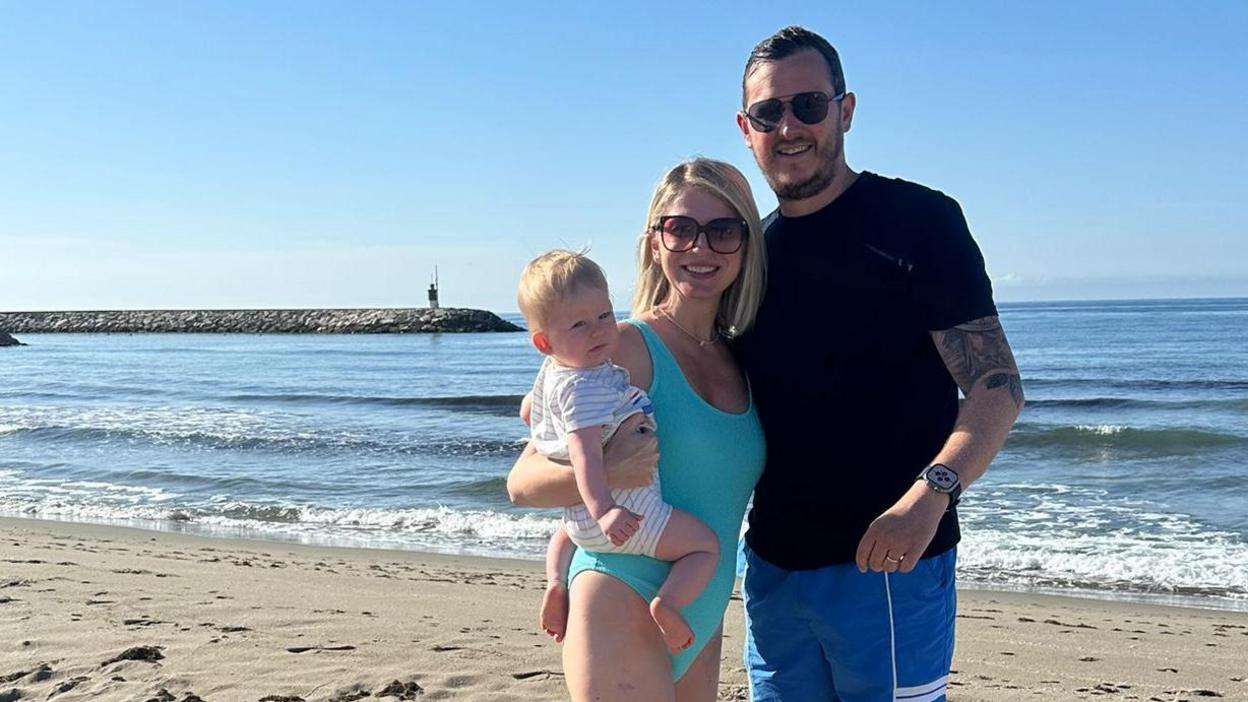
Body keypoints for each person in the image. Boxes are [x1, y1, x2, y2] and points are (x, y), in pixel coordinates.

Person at [730, 26, 1025, 702]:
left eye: (808, 105)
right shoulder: (745, 254)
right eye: (769, 112)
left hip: (892, 562)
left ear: (846, 110)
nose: (790, 126)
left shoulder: (918, 221)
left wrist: (931, 495)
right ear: (746, 129)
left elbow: (995, 384)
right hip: (773, 568)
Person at [507, 158, 767, 701]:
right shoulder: (621, 348)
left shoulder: (744, 357)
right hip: (620, 587)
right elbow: (522, 482)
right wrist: (607, 469)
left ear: (746, 245)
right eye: (681, 229)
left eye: (723, 230)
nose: (701, 248)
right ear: (655, 243)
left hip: (700, 599)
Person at [515, 250, 720, 654]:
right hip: (633, 516)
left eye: (605, 316)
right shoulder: (586, 389)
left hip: (580, 524)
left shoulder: (556, 372)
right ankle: (669, 603)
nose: (599, 331)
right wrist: (606, 509)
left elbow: (529, 412)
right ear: (544, 341)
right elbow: (587, 455)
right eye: (580, 324)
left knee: (564, 532)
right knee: (704, 546)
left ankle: (556, 582)